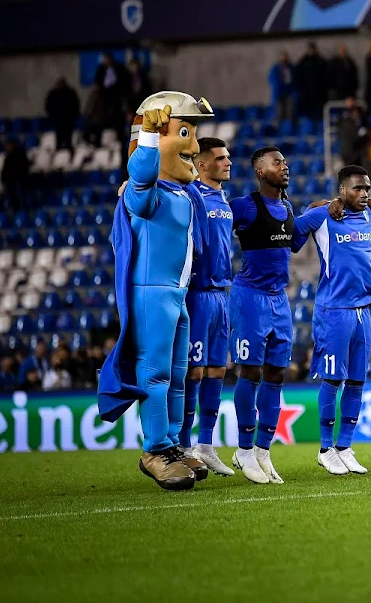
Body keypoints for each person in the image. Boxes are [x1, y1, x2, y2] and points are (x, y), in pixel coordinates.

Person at [97, 91, 216, 491]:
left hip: (177, 295)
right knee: (156, 373)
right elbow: (142, 177)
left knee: (178, 376)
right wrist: (147, 137)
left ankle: (174, 445)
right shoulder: (141, 192)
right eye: (184, 133)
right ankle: (155, 449)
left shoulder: (179, 194)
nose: (194, 146)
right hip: (152, 293)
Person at [228, 146, 319, 484]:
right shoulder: (245, 205)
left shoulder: (287, 207)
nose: (285, 166)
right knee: (250, 370)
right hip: (250, 297)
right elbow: (213, 222)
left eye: (285, 161)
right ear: (260, 172)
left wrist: (312, 213)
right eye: (276, 162)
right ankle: (243, 449)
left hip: (280, 300)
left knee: (277, 373)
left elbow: (293, 243)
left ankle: (264, 451)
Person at [301, 166, 371, 476]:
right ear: (341, 192)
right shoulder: (323, 216)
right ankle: (325, 448)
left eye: (367, 188)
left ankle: (344, 446)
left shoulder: (367, 216)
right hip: (334, 310)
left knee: (358, 380)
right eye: (357, 189)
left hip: (363, 309)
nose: (364, 193)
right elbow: (293, 231)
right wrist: (318, 205)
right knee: (333, 379)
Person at [177, 137, 237, 477]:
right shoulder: (192, 194)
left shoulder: (224, 199)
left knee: (218, 369)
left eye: (228, 157)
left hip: (222, 294)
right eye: (221, 158)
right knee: (193, 371)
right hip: (198, 294)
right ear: (202, 165)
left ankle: (206, 445)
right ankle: (183, 445)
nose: (228, 162)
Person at [45, 77, 81, 151]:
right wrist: (52, 117)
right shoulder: (53, 94)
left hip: (68, 121)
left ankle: (69, 157)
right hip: (59, 121)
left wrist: (73, 117)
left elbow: (76, 107)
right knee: (59, 141)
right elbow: (48, 106)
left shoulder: (70, 93)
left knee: (68, 142)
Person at [269, 51, 295, 123]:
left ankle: (289, 127)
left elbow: (293, 80)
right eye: (282, 56)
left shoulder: (291, 67)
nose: (284, 58)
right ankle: (279, 129)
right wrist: (278, 87)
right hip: (279, 93)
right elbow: (272, 80)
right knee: (279, 112)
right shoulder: (275, 68)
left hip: (289, 93)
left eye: (285, 56)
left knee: (289, 112)